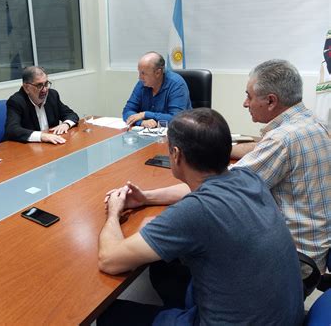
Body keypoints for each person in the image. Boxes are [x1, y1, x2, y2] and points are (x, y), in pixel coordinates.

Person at [97, 108, 303, 325]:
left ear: (176, 154)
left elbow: (109, 260)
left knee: (110, 316)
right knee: (162, 269)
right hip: (282, 315)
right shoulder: (248, 177)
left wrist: (113, 212)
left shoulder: (196, 211)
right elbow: (194, 191)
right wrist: (146, 198)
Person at [231, 59, 330, 273]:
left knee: (202, 245)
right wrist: (221, 148)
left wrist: (151, 196)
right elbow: (260, 149)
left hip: (292, 262)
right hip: (315, 249)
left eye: (249, 95)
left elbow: (224, 186)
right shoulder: (313, 122)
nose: (245, 103)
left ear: (271, 101)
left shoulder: (282, 140)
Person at [4, 66, 79, 144]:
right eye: (39, 85)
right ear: (26, 88)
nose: (45, 90)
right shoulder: (16, 101)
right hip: (29, 148)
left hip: (52, 145)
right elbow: (12, 130)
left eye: (46, 84)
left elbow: (71, 114)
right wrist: (42, 136)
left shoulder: (52, 95)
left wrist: (66, 124)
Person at [122, 51, 191, 128]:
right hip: (148, 134)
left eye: (143, 73)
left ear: (158, 73)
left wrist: (145, 114)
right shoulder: (142, 83)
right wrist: (141, 122)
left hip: (176, 134)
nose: (140, 77)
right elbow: (127, 111)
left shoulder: (176, 84)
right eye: (139, 72)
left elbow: (177, 119)